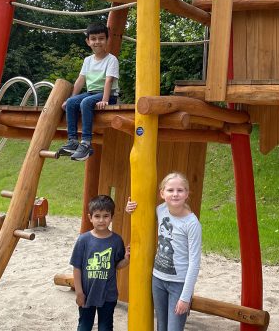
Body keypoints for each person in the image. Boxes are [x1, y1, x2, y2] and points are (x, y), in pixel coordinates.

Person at [126, 172, 201, 331]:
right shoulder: (160, 210)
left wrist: (185, 297)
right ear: (162, 193)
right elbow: (142, 216)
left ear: (187, 194)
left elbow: (195, 263)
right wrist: (130, 209)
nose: (175, 194)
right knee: (161, 326)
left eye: (180, 190)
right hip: (158, 279)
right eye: (170, 190)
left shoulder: (192, 223)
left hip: (179, 284)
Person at [58, 23, 119, 161]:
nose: (97, 42)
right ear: (88, 41)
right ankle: (72, 141)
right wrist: (70, 98)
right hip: (91, 93)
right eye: (94, 39)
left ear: (107, 39)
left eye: (101, 38)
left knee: (85, 103)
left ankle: (86, 143)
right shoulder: (87, 60)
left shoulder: (111, 59)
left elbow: (109, 81)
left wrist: (105, 100)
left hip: (108, 94)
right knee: (73, 102)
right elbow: (81, 80)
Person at [70, 194, 130, 331]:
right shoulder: (83, 240)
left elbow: (117, 265)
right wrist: (79, 292)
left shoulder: (116, 241)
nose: (101, 220)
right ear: (90, 217)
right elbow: (77, 268)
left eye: (106, 216)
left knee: (105, 327)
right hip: (87, 292)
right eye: (97, 216)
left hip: (108, 294)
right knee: (84, 325)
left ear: (111, 217)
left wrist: (126, 259)